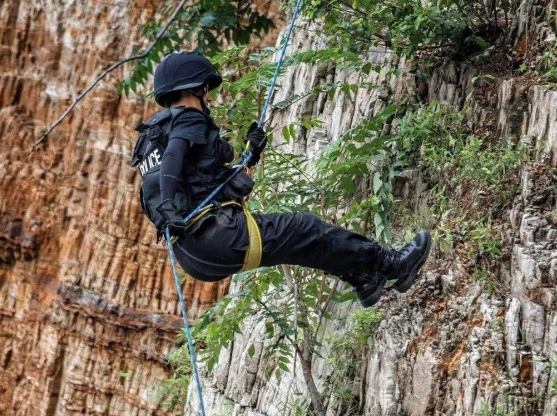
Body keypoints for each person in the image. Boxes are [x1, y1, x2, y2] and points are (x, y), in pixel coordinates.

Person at [131, 51, 431, 308]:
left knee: (301, 243)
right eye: (206, 88)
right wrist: (170, 206)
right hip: (219, 236)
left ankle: (365, 278)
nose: (208, 96)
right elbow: (174, 158)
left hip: (195, 255)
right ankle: (392, 265)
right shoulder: (187, 117)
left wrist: (251, 155)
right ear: (194, 87)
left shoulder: (151, 138)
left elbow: (198, 180)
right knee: (307, 228)